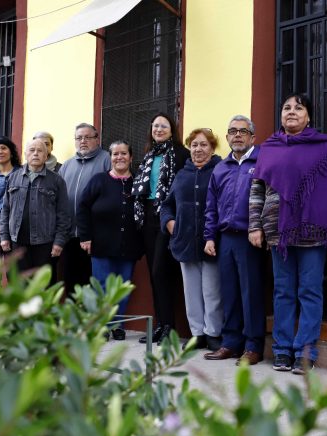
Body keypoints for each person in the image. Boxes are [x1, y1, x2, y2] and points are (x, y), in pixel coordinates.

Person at [249, 94, 327, 375]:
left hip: (311, 232)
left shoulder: (324, 147)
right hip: (276, 232)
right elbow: (257, 189)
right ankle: (281, 350)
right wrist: (254, 225)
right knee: (282, 291)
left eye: (298, 107)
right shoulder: (268, 148)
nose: (291, 112)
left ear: (308, 116)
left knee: (309, 291)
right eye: (286, 108)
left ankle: (305, 352)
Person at [203, 115, 266, 365]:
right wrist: (209, 236)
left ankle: (253, 346)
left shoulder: (261, 161)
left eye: (242, 131)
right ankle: (231, 343)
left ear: (253, 136)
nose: (237, 135)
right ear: (227, 137)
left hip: (250, 238)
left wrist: (259, 227)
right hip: (225, 238)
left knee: (250, 293)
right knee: (229, 292)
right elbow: (211, 206)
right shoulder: (220, 167)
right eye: (232, 131)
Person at [160, 128, 223, 351]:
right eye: (194, 145)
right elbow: (167, 204)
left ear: (212, 147)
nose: (198, 149)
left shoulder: (220, 170)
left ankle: (213, 332)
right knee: (192, 292)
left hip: (211, 242)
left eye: (203, 144)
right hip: (185, 241)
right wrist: (170, 223)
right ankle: (197, 333)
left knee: (211, 291)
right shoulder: (182, 174)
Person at [77, 140, 144, 341]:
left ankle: (117, 325)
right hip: (101, 244)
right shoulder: (99, 180)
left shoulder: (138, 183)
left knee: (123, 286)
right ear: (110, 158)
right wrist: (85, 236)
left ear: (131, 157)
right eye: (115, 154)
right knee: (103, 286)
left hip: (129, 245)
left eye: (124, 153)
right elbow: (82, 207)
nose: (119, 157)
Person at [132, 112, 189, 344]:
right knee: (155, 276)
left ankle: (169, 326)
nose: (158, 129)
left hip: (167, 216)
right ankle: (160, 325)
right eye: (155, 126)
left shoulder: (180, 154)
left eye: (163, 126)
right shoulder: (148, 156)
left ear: (172, 130)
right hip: (147, 217)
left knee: (161, 271)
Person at [0, 139, 71, 282]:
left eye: (40, 151)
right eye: (32, 150)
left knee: (44, 285)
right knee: (18, 284)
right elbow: (6, 210)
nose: (36, 154)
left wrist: (59, 242)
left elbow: (63, 214)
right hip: (17, 241)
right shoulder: (13, 177)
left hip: (45, 244)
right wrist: (4, 237)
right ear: (25, 154)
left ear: (46, 156)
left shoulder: (56, 181)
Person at [58, 123, 111, 290]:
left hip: (94, 236)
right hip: (69, 236)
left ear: (97, 139)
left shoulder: (107, 160)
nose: (83, 141)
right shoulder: (66, 165)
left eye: (87, 137)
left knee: (93, 284)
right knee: (71, 283)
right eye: (79, 138)